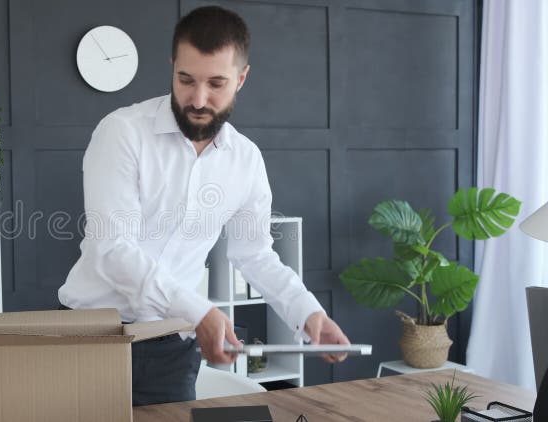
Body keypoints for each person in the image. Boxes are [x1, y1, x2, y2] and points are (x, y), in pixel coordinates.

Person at [58, 5, 350, 405]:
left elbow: (256, 254)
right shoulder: (122, 132)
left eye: (216, 83)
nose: (197, 98)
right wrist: (200, 311)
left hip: (172, 351)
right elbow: (113, 250)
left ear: (241, 78)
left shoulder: (245, 160)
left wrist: (308, 314)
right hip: (91, 340)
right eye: (185, 79)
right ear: (172, 66)